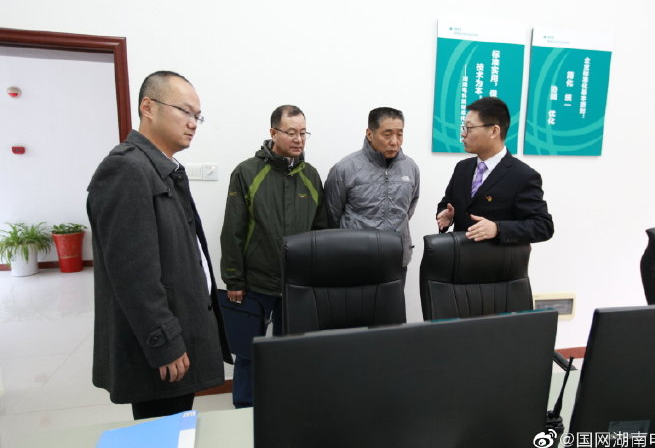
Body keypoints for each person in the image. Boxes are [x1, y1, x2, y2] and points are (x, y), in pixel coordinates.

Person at [87, 71, 231, 420]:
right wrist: (164, 341)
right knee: (160, 432)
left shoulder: (161, 168)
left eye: (197, 116)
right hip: (161, 344)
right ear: (148, 107)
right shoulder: (126, 169)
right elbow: (132, 273)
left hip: (181, 327)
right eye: (185, 111)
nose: (193, 123)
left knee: (175, 426)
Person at [220, 105, 327, 408]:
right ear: (273, 133)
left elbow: (321, 231)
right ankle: (244, 407)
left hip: (297, 285)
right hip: (256, 281)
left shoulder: (310, 175)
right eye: (291, 132)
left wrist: (317, 279)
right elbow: (233, 230)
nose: (298, 139)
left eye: (303, 132)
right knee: (248, 350)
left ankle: (285, 406)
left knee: (291, 350)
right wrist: (234, 279)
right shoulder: (247, 172)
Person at [436, 97, 553, 243]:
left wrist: (498, 229)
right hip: (458, 254)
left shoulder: (523, 176)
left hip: (494, 257)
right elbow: (446, 203)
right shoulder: (462, 168)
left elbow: (543, 226)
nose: (463, 134)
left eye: (469, 128)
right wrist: (446, 215)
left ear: (493, 131)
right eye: (463, 128)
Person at [324, 107, 420, 276]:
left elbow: (408, 210)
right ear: (370, 134)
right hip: (355, 260)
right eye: (387, 134)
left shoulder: (410, 168)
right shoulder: (345, 169)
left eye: (399, 134)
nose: (394, 141)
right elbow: (332, 216)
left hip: (396, 260)